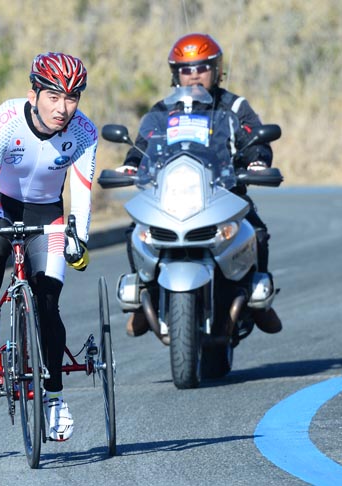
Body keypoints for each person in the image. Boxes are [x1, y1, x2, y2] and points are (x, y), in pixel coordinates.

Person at [0, 52, 97, 442]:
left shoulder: (84, 132)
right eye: (53, 97)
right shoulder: (6, 120)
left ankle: (54, 397)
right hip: (3, 204)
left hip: (48, 213)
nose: (63, 108)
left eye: (71, 98)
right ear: (34, 93)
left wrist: (78, 238)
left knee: (48, 302)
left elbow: (81, 193)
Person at [116, 33, 282, 339]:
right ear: (175, 74)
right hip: (170, 198)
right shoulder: (160, 112)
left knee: (256, 232)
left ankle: (259, 300)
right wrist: (131, 165)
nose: (193, 75)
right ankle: (143, 296)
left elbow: (255, 136)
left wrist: (257, 161)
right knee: (136, 231)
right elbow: (142, 147)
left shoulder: (234, 106)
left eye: (201, 68)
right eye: (186, 69)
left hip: (224, 196)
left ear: (217, 70)